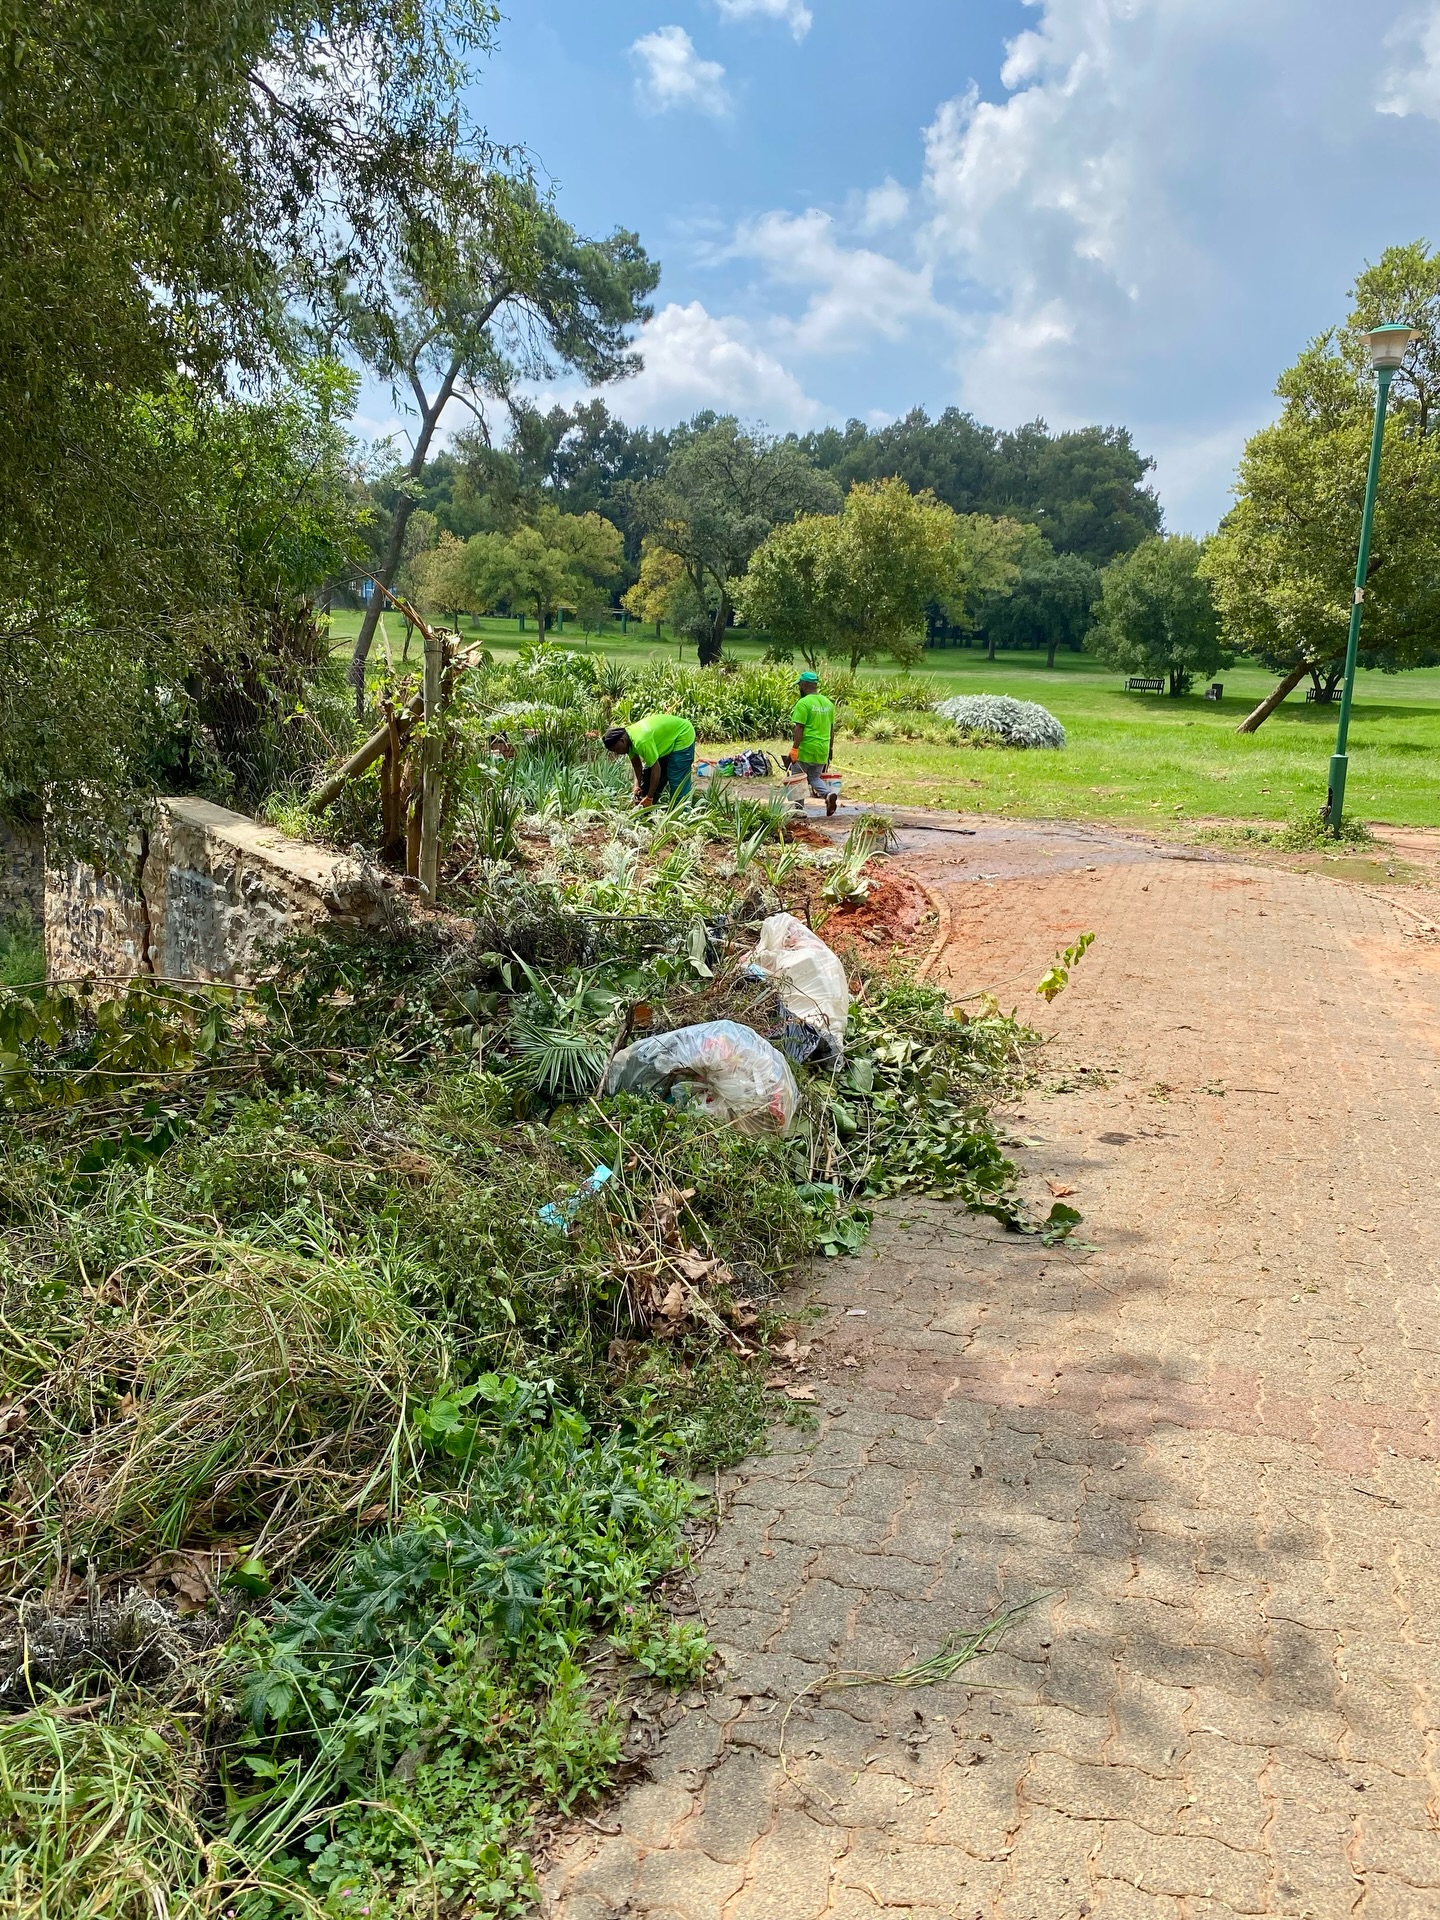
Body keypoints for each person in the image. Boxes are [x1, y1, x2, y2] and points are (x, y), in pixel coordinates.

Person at [602, 713, 697, 806]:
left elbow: (656, 768)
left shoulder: (640, 741)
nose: (617, 753)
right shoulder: (628, 739)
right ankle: (648, 808)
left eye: (616, 749)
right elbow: (637, 765)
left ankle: (682, 812)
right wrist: (636, 786)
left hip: (683, 734)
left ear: (622, 741)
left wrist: (649, 797)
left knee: (677, 779)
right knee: (648, 775)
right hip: (665, 741)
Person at [786, 670, 838, 816]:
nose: (799, 688)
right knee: (814, 777)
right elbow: (831, 729)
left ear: (804, 685)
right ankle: (828, 794)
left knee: (797, 779)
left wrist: (795, 749)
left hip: (806, 748)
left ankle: (798, 810)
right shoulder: (828, 703)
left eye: (799, 685)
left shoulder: (803, 703)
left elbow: (799, 728)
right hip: (823, 749)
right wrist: (830, 749)